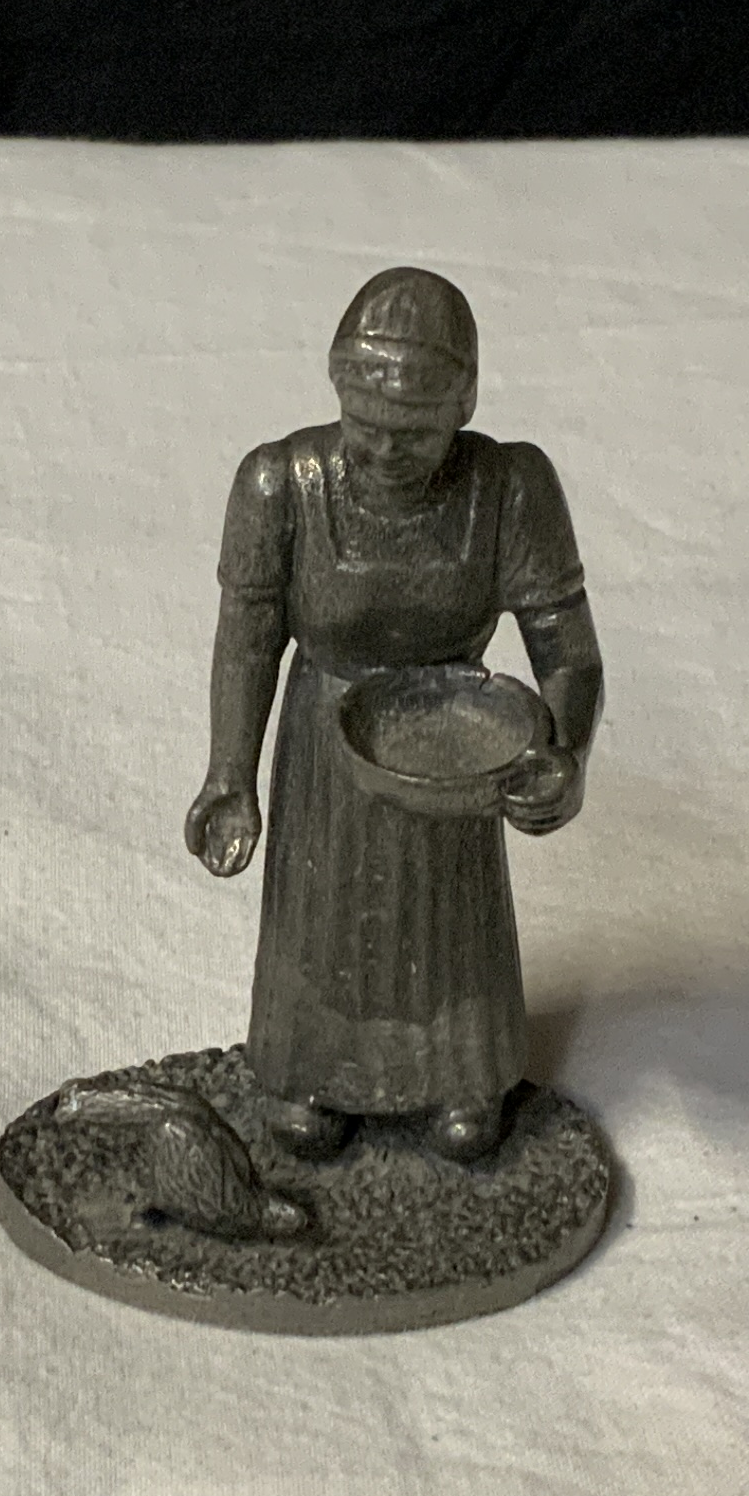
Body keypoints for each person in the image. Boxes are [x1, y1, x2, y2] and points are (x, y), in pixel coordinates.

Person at [185, 267, 603, 1165]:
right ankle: (311, 1073)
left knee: (448, 924)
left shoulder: (510, 489)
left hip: (454, 743)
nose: (383, 451)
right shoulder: (280, 485)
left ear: (463, 407)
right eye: (365, 424)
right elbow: (247, 641)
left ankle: (460, 1078)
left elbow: (568, 650)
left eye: (414, 432)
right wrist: (229, 774)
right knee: (321, 921)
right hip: (324, 750)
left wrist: (564, 753)